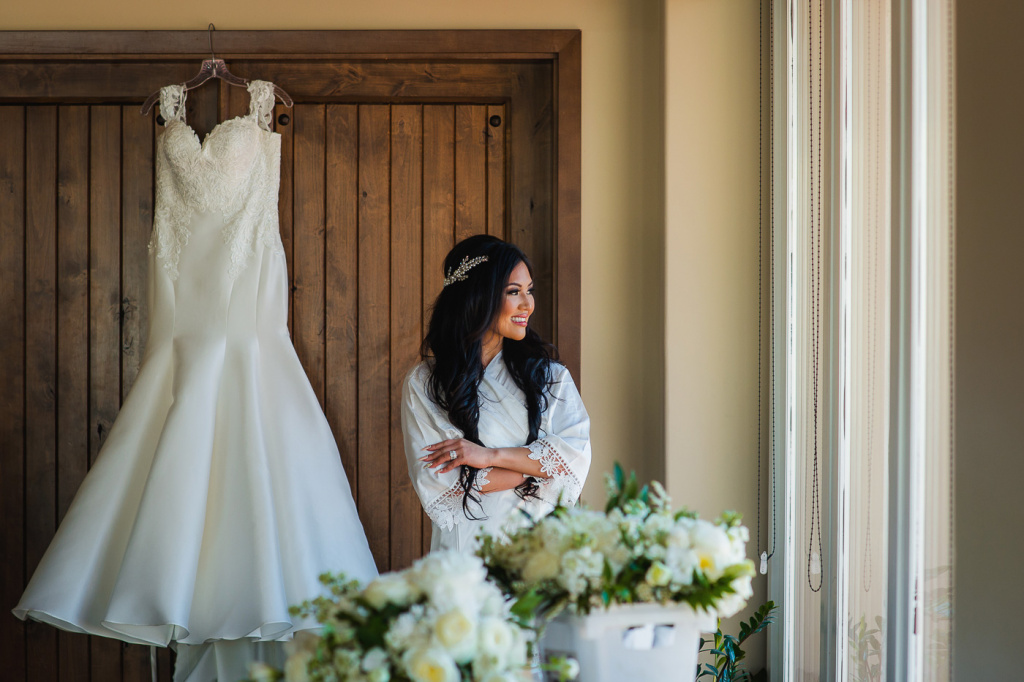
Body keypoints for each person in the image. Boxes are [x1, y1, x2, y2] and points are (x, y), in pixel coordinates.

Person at [402, 235, 592, 552]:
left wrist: (488, 457)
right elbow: (441, 487)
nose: (527, 304)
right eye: (513, 292)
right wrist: (534, 470)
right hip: (465, 554)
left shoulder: (551, 378)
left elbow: (573, 460)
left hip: (539, 552)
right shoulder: (425, 383)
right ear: (478, 295)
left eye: (529, 290)